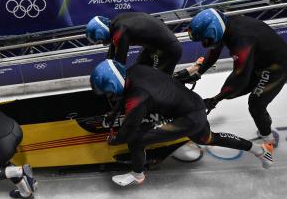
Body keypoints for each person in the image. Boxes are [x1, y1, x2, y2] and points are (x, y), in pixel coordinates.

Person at [90, 59, 274, 187]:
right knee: (208, 138)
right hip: (194, 104)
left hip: (187, 118)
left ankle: (137, 175)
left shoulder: (137, 99)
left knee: (137, 140)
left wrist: (114, 140)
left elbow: (128, 130)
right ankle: (260, 150)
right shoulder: (136, 69)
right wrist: (114, 112)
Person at [185, 9, 287, 148]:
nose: (204, 43)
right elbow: (214, 51)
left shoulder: (242, 41)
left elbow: (240, 76)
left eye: (204, 39)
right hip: (265, 58)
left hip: (277, 66)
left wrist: (216, 98)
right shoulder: (228, 24)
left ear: (213, 30)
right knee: (234, 93)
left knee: (256, 104)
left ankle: (268, 139)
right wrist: (199, 73)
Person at [86, 12, 182, 74]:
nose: (103, 44)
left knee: (156, 84)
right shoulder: (116, 22)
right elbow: (111, 53)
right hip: (155, 48)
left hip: (168, 51)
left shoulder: (120, 32)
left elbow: (119, 64)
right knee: (137, 73)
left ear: (102, 33)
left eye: (100, 41)